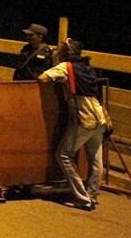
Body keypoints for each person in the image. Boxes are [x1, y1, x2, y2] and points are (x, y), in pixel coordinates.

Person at [38, 38, 109, 211]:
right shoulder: (86, 67)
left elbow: (43, 78)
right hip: (100, 116)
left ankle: (82, 198)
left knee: (63, 155)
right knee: (95, 160)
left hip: (84, 116)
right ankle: (92, 195)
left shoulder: (66, 66)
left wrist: (60, 78)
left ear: (66, 53)